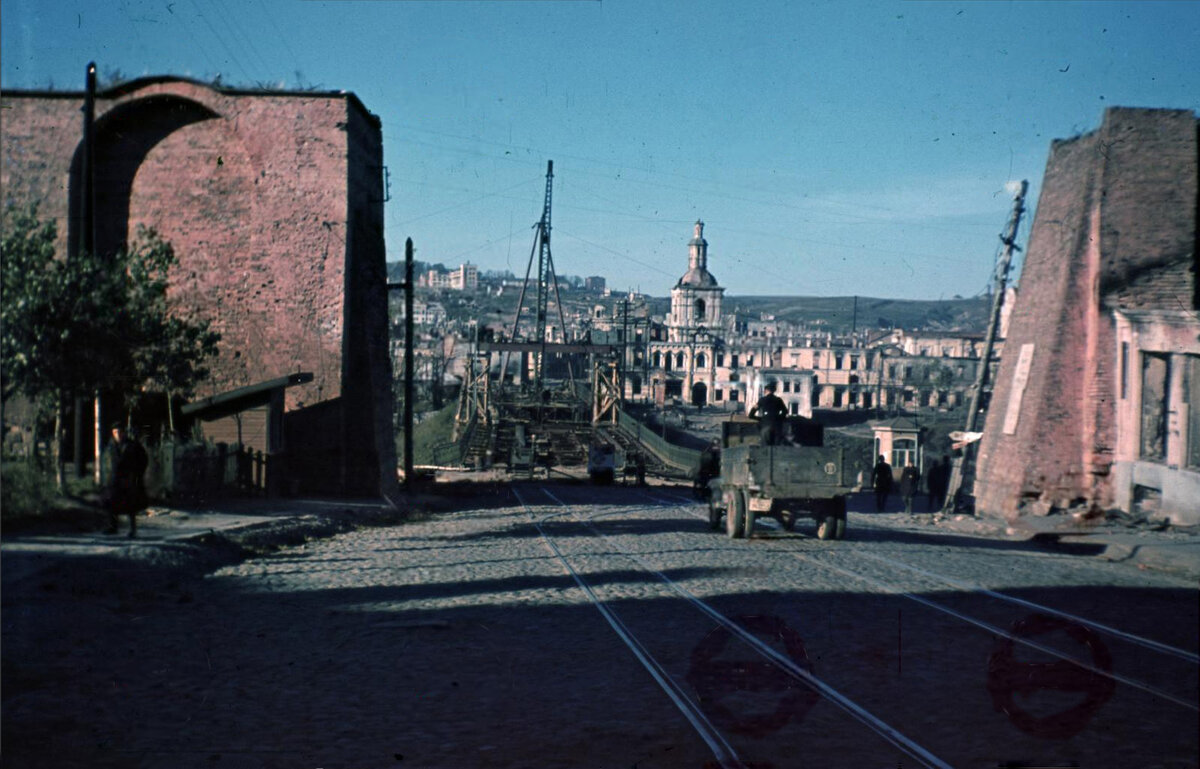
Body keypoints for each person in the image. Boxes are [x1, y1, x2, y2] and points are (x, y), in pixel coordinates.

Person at [104, 423, 149, 538]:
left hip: (129, 478)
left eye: (119, 432)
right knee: (112, 502)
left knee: (131, 504)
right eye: (115, 432)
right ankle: (112, 526)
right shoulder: (111, 446)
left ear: (123, 433)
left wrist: (137, 473)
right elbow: (107, 461)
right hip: (114, 478)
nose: (118, 435)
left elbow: (143, 459)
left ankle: (132, 529)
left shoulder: (132, 445)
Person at [749, 382, 787, 446]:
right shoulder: (778, 400)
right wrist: (778, 418)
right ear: (774, 391)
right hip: (777, 426)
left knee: (765, 448)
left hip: (765, 425)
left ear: (765, 391)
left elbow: (751, 415)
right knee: (776, 447)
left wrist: (762, 419)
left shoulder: (762, 400)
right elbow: (785, 411)